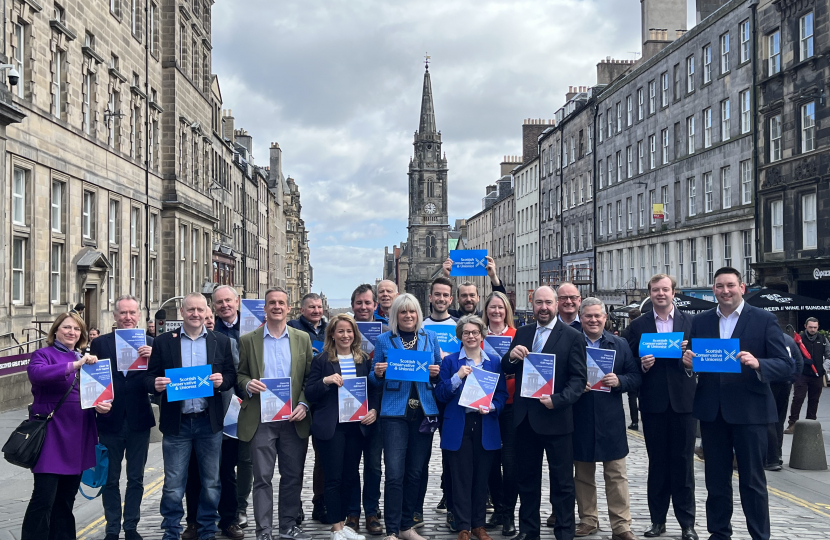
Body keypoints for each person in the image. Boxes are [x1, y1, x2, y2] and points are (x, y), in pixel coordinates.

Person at [682, 267, 791, 540]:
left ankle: (759, 535)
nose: (725, 291)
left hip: (750, 413)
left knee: (752, 482)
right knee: (716, 482)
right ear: (713, 289)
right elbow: (699, 365)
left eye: (730, 285)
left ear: (742, 288)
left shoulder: (764, 320)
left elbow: (787, 365)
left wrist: (758, 364)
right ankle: (719, 533)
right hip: (712, 412)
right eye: (719, 286)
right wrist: (689, 365)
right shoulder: (702, 321)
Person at [144, 293, 237, 540]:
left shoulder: (221, 341)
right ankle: (171, 531)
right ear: (182, 312)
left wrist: (222, 381)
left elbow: (231, 376)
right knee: (173, 485)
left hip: (209, 422)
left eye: (200, 310)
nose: (195, 314)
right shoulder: (164, 342)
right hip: (178, 424)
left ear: (208, 312)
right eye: (190, 310)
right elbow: (148, 377)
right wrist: (156, 383)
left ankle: (207, 530)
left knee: (211, 483)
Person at [501, 286, 587, 540]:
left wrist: (558, 400)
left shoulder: (572, 336)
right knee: (527, 480)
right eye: (539, 303)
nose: (543, 308)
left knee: (562, 482)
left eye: (548, 302)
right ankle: (529, 531)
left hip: (557, 419)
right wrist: (512, 357)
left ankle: (564, 532)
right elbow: (506, 366)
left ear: (557, 304)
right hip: (526, 419)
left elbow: (578, 380)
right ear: (533, 303)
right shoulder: (523, 332)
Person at [21, 312, 112, 540]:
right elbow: (37, 375)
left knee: (65, 501)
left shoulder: (85, 359)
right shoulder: (43, 354)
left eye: (77, 329)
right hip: (51, 435)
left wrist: (100, 406)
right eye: (67, 327)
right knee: (43, 499)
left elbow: (90, 396)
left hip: (78, 435)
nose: (72, 332)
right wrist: (75, 365)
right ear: (55, 331)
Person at [236, 287, 314, 540]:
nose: (277, 307)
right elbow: (240, 375)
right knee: (262, 478)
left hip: (293, 419)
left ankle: (288, 526)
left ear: (288, 308)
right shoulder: (248, 340)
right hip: (261, 419)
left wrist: (303, 404)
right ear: (265, 308)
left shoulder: (302, 338)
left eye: (281, 303)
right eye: (272, 303)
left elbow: (309, 378)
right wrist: (248, 384)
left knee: (292, 476)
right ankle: (264, 531)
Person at [625, 275, 697, 540]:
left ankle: (687, 524)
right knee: (657, 464)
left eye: (665, 289)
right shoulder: (638, 325)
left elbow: (702, 360)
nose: (661, 294)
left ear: (674, 292)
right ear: (650, 293)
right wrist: (642, 366)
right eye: (655, 290)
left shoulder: (691, 322)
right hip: (654, 404)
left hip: (685, 403)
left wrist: (692, 359)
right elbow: (629, 361)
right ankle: (657, 521)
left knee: (683, 464)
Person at [369, 293, 442, 540]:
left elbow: (439, 372)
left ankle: (406, 526)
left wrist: (436, 372)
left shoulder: (429, 337)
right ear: (395, 315)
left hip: (423, 412)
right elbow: (372, 378)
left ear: (418, 314)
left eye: (412, 312)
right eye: (403, 312)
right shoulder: (383, 340)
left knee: (415, 472)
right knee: (394, 473)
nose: (408, 316)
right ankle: (391, 529)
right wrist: (378, 372)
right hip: (394, 413)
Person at [306, 314, 380, 540]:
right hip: (332, 426)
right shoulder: (322, 360)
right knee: (333, 478)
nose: (345, 335)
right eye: (340, 331)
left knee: (350, 476)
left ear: (355, 334)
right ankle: (336, 526)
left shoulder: (363, 359)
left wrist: (374, 410)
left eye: (349, 331)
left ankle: (347, 521)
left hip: (356, 426)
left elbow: (373, 390)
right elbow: (310, 392)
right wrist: (326, 382)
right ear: (332, 334)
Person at [572, 298, 641, 540]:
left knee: (616, 474)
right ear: (581, 318)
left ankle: (621, 525)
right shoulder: (571, 341)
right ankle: (588, 519)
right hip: (579, 415)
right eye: (588, 316)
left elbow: (635, 377)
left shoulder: (619, 344)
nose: (593, 320)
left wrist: (620, 381)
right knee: (583, 474)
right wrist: (574, 385)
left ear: (604, 318)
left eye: (597, 316)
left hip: (610, 417)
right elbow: (558, 376)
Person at [436, 315, 508, 540]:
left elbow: (502, 395)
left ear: (482, 335)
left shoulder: (494, 362)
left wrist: (493, 408)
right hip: (459, 424)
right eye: (466, 333)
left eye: (475, 332)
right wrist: (457, 377)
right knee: (461, 477)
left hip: (485, 423)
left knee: (481, 477)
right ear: (460, 336)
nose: (470, 336)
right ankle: (463, 526)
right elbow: (441, 393)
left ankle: (479, 525)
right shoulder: (450, 362)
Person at [91, 295, 155, 540]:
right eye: (123, 313)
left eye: (132, 313)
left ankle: (131, 527)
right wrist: (96, 403)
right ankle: (111, 528)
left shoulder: (151, 343)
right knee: (110, 478)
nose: (128, 317)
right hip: (110, 420)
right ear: (115, 316)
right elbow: (95, 379)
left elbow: (158, 381)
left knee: (136, 478)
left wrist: (153, 358)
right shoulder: (101, 343)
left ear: (139, 315)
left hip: (139, 419)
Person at [182, 302, 246, 540]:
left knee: (226, 471)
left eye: (210, 317)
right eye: (205, 316)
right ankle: (194, 521)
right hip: (193, 416)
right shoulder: (183, 344)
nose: (207, 320)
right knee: (194, 473)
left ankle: (229, 519)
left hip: (225, 416)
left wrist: (226, 384)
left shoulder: (225, 342)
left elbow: (236, 375)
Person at [349, 284, 387, 535]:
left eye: (368, 303)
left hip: (377, 410)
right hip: (349, 409)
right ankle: (352, 512)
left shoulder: (386, 334)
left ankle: (371, 511)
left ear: (376, 305)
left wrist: (375, 408)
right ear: (353, 305)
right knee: (350, 465)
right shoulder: (341, 330)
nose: (363, 307)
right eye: (359, 303)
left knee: (373, 466)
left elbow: (389, 378)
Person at [481, 292, 519, 536]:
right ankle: (497, 507)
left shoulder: (518, 336)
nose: (496, 312)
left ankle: (509, 513)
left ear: (507, 311)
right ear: (486, 311)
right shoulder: (478, 336)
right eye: (492, 308)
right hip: (487, 404)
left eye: (500, 308)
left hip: (513, 404)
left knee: (511, 462)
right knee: (491, 463)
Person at [785, 317, 830, 433]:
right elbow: (790, 356)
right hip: (801, 374)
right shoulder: (798, 339)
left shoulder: (823, 339)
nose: (813, 329)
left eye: (815, 327)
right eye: (810, 327)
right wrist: (802, 362)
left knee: (814, 399)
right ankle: (793, 424)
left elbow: (829, 356)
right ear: (805, 326)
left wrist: (822, 369)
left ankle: (811, 424)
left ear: (818, 327)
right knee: (798, 398)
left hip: (817, 375)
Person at [766, 332, 803, 471]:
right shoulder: (788, 340)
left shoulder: (766, 338)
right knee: (779, 420)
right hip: (785, 383)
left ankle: (771, 458)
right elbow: (799, 361)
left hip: (769, 382)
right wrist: (792, 379)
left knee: (767, 419)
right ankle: (778, 455)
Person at [441, 256, 507, 317]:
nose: (468, 299)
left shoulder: (485, 318)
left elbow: (501, 300)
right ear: (457, 298)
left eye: (472, 295)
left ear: (478, 298)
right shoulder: (449, 316)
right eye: (464, 295)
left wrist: (493, 277)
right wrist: (445, 276)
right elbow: (436, 305)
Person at [620, 309, 641, 431]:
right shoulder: (644, 329)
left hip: (631, 366)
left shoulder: (625, 332)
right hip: (643, 365)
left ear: (629, 318)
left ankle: (634, 422)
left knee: (632, 396)